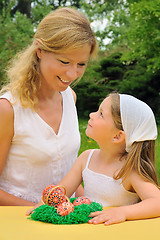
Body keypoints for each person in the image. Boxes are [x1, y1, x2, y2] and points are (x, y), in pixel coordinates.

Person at [0, 7, 98, 206]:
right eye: (64, 61)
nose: (72, 74)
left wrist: (84, 200)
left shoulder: (70, 97)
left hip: (65, 222)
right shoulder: (7, 109)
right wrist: (43, 210)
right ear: (40, 51)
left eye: (81, 64)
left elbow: (67, 169)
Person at [27, 92, 160, 225]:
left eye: (101, 114)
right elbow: (62, 191)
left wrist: (122, 212)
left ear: (118, 136)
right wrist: (44, 204)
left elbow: (157, 202)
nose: (91, 115)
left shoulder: (129, 170)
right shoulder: (86, 158)